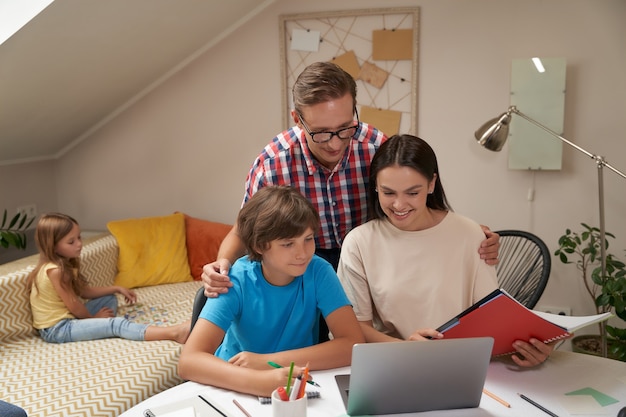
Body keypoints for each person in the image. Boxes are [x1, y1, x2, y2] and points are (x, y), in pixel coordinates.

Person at [201, 61, 500, 295]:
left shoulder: (375, 146)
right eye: (320, 133)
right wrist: (222, 263)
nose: (334, 143)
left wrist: (467, 234)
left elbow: (413, 199)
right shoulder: (272, 164)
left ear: (355, 109)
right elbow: (245, 229)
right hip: (302, 265)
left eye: (345, 128)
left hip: (370, 259)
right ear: (297, 119)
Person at [336, 134, 555, 367]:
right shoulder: (359, 243)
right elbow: (355, 327)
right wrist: (404, 348)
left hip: (459, 364)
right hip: (392, 365)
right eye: (388, 193)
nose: (399, 205)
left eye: (412, 193)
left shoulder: (470, 234)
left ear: (431, 184)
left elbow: (491, 321)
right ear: (375, 188)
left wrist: (529, 348)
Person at [178, 186, 364, 396]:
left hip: (289, 381)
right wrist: (258, 381)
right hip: (233, 382)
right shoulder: (236, 279)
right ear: (259, 245)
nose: (302, 253)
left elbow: (352, 344)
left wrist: (268, 363)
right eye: (288, 244)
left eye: (308, 239)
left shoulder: (319, 271)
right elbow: (189, 361)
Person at [28, 213, 190, 344]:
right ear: (53, 245)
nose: (79, 244)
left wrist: (116, 288)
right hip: (57, 329)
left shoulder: (66, 263)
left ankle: (98, 326)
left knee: (108, 298)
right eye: (71, 242)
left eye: (79, 238)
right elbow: (75, 306)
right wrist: (93, 318)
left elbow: (84, 292)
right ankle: (174, 333)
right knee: (116, 324)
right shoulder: (56, 270)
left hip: (68, 318)